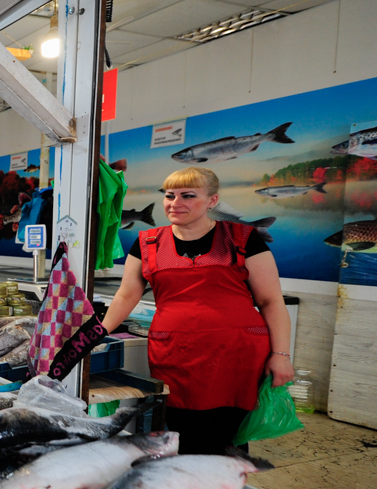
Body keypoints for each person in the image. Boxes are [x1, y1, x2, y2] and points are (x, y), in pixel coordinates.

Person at [101, 167, 294, 456]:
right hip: (176, 353)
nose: (175, 203)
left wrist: (281, 355)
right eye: (169, 195)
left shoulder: (243, 238)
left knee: (229, 435)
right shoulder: (147, 243)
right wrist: (98, 333)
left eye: (188, 195)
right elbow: (127, 295)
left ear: (212, 201)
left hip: (237, 355)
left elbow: (271, 301)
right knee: (182, 429)